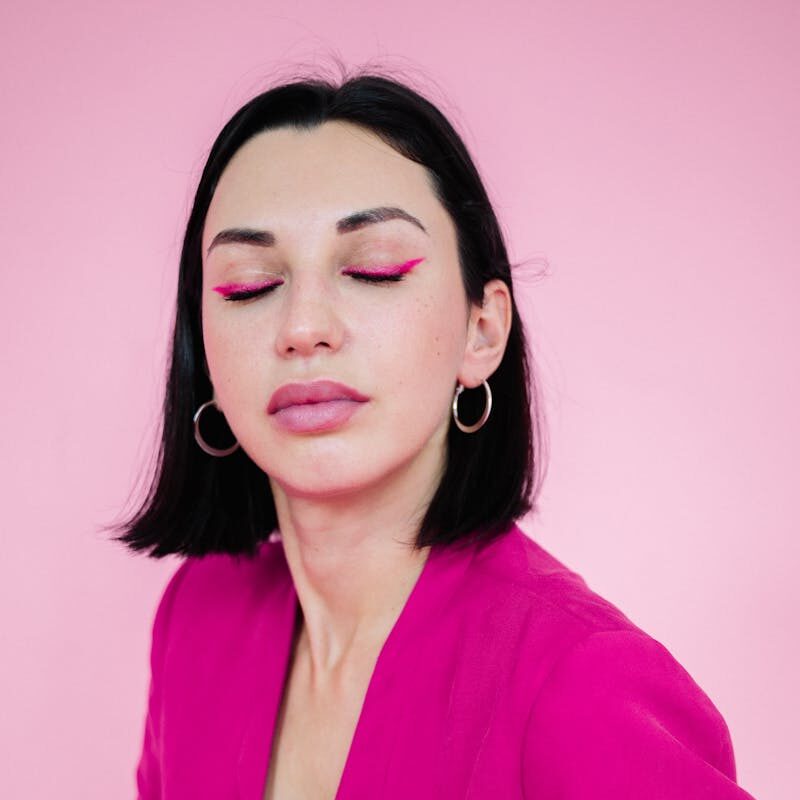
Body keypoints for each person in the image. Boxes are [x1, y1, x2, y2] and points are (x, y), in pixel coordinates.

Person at [114, 66, 756, 799]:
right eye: (249, 285)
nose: (302, 329)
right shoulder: (199, 618)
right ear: (204, 352)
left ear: (482, 332)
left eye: (374, 270)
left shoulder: (583, 683)